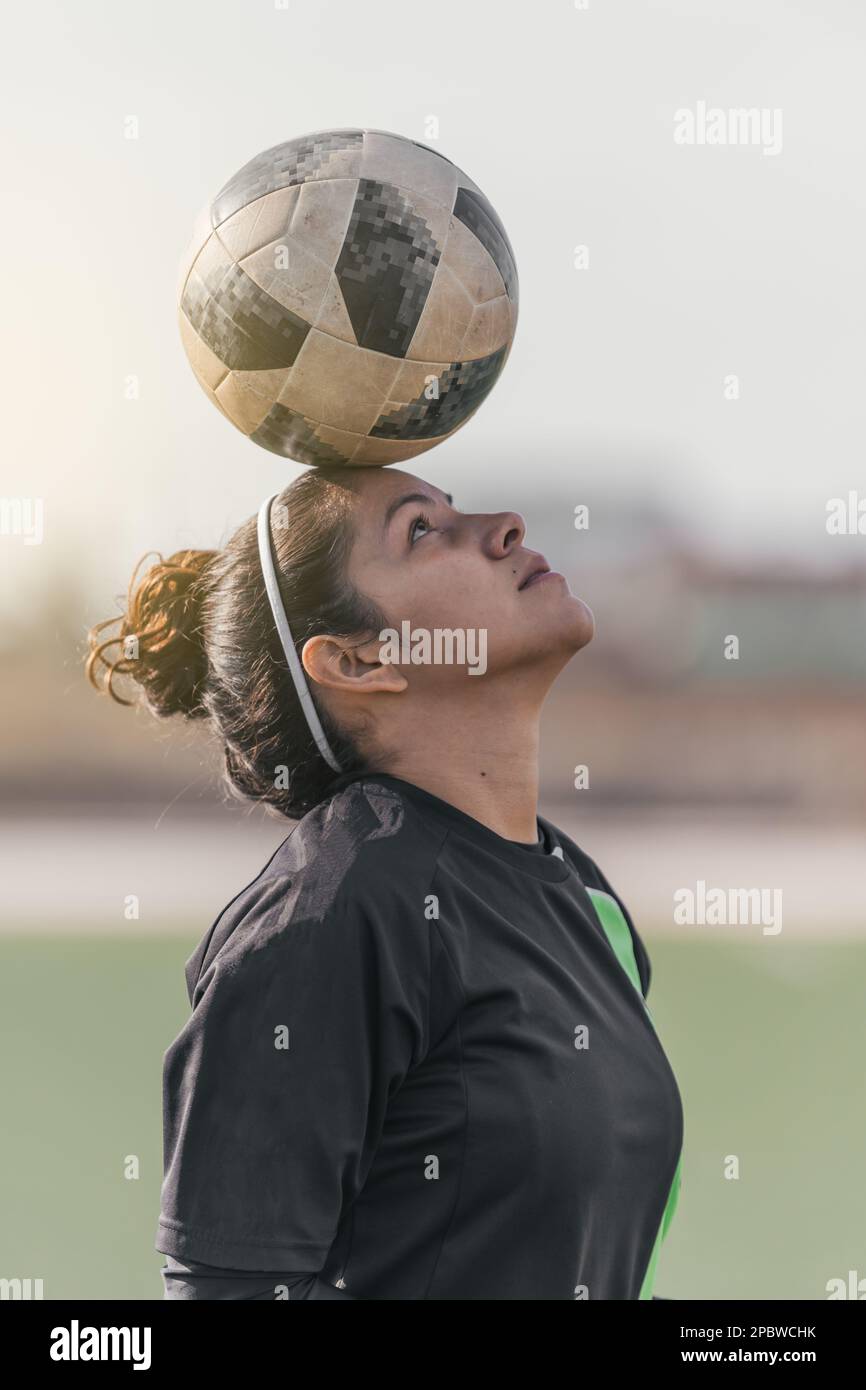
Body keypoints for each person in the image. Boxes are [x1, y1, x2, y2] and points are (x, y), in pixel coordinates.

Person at [86, 465, 683, 1300]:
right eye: (421, 530)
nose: (504, 524)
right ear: (361, 662)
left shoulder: (580, 890)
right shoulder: (331, 913)